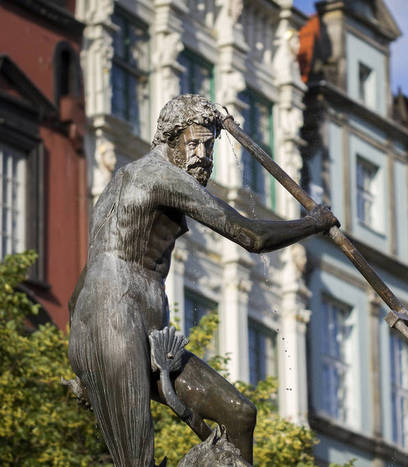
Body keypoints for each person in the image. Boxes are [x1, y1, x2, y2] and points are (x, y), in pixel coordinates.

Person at [68, 94, 338, 466]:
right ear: (169, 141)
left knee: (239, 414)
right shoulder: (158, 175)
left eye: (208, 145)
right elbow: (250, 236)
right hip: (114, 318)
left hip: (139, 326)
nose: (201, 155)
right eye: (192, 143)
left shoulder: (125, 185)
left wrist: (81, 350)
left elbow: (79, 289)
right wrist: (313, 223)